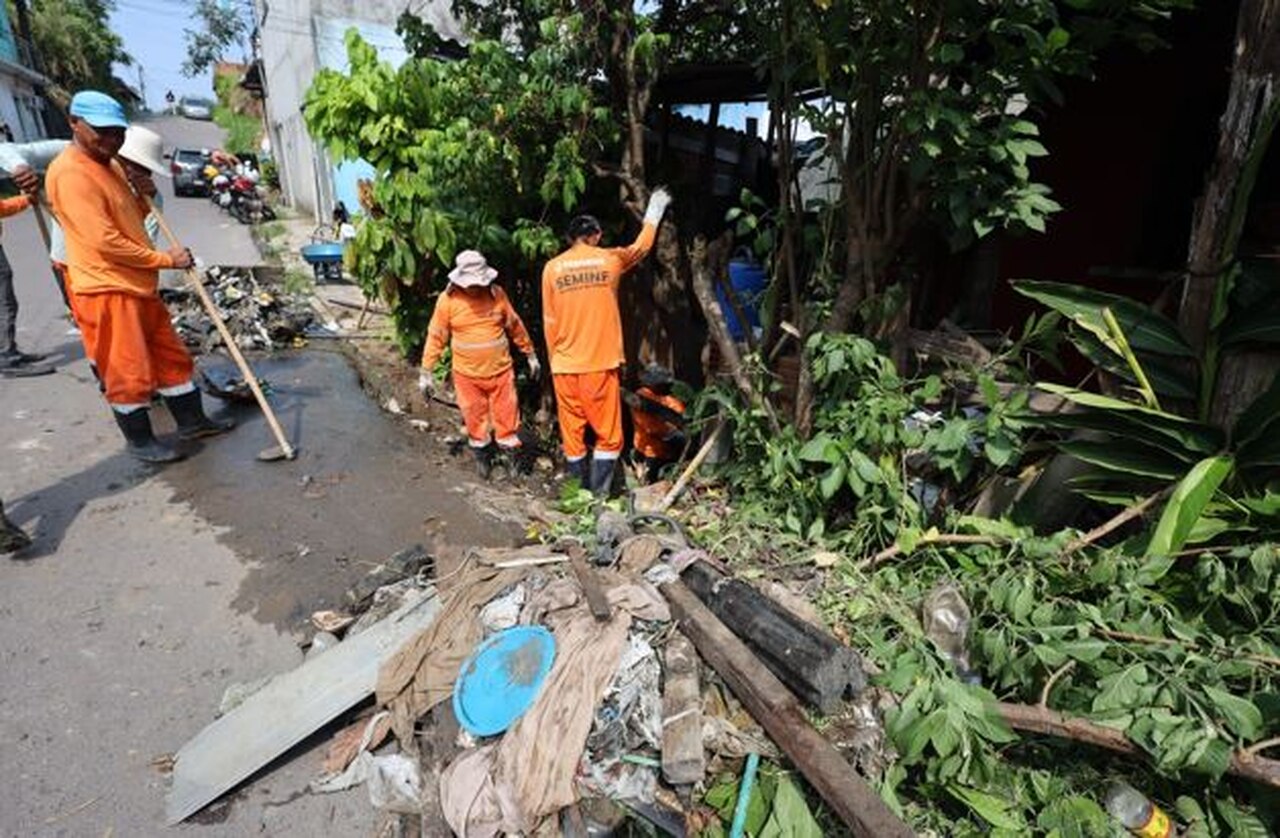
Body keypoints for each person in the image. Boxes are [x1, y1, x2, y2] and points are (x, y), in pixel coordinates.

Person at [45, 90, 233, 463]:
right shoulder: (70, 175)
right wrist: (164, 260)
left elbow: (127, 216)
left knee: (171, 357)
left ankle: (193, 421)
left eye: (118, 132)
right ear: (74, 124)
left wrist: (142, 194)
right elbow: (106, 242)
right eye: (103, 132)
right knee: (126, 370)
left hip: (137, 285)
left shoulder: (110, 164)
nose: (112, 140)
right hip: (106, 289)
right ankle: (142, 443)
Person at [541, 188, 672, 495]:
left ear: (570, 239)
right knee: (609, 435)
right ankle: (599, 497)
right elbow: (641, 248)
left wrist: (554, 365)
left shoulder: (551, 269)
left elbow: (549, 322)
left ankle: (577, 496)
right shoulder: (609, 260)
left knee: (572, 435)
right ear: (597, 236)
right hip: (598, 365)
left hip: (563, 367)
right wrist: (655, 211)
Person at [418, 250, 540, 479]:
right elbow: (436, 336)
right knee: (475, 418)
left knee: (507, 418)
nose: (474, 287)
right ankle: (484, 461)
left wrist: (530, 354)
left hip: (501, 372)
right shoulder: (448, 301)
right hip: (467, 375)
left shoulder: (497, 294)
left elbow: (515, 325)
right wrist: (426, 372)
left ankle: (512, 462)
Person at [627, 364, 687, 483]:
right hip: (650, 452)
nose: (667, 386)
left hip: (668, 451)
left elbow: (679, 412)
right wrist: (675, 434)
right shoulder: (641, 397)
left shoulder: (667, 397)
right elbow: (651, 428)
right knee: (650, 483)